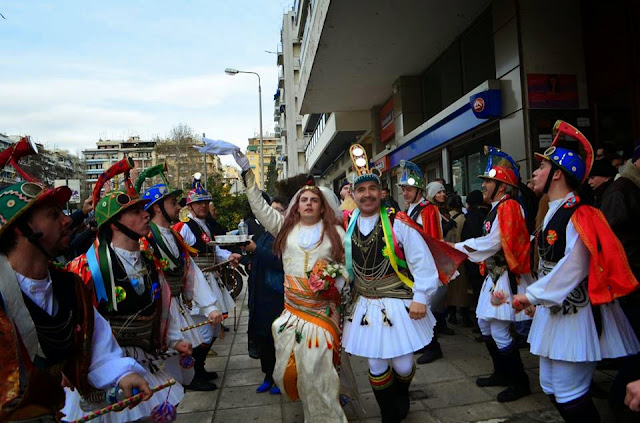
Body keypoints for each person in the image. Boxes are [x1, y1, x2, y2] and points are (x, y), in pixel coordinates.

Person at [0, 152, 152, 421]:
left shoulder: (70, 286)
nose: (68, 219)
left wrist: (122, 373)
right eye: (53, 214)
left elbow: (96, 349)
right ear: (20, 229)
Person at [512, 120, 640, 421]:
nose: (534, 172)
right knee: (551, 387)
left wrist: (532, 296)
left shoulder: (580, 213)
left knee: (569, 392)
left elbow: (574, 265)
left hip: (578, 314)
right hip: (555, 310)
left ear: (557, 173)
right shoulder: (553, 212)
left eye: (541, 167)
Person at [342, 145, 464, 422]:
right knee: (375, 363)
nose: (367, 194)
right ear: (353, 195)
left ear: (381, 192)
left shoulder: (399, 222)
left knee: (403, 363)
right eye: (361, 190)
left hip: (399, 301)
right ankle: (389, 414)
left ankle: (402, 395)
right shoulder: (348, 225)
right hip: (365, 305)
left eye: (372, 188)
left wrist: (421, 297)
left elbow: (422, 262)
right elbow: (345, 265)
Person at [231, 146, 349, 422]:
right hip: (291, 314)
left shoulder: (337, 233)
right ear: (297, 204)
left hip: (322, 314)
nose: (308, 203)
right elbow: (260, 207)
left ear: (322, 206)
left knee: (318, 371)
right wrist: (248, 173)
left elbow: (346, 269)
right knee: (293, 372)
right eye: (304, 199)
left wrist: (334, 285)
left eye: (314, 200)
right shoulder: (285, 228)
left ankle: (327, 418)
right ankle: (313, 411)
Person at [64, 158, 188, 421]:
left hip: (145, 361)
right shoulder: (86, 267)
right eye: (135, 211)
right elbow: (73, 324)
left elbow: (165, 305)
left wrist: (175, 339)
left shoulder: (150, 260)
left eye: (144, 209)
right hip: (104, 369)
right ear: (113, 223)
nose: (146, 214)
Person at [453, 146, 535, 403]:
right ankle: (502, 372)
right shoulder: (500, 207)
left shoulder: (508, 207)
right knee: (485, 324)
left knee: (498, 329)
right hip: (495, 274)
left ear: (501, 186)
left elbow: (495, 242)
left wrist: (457, 248)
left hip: (505, 275)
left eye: (488, 181)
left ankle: (519, 382)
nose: (485, 186)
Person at [136, 165, 225, 392]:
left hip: (177, 304)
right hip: (162, 311)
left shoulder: (173, 236)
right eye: (173, 203)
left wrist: (209, 305)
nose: (178, 207)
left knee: (179, 366)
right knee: (166, 372)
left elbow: (190, 271)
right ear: (157, 207)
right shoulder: (146, 241)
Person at [173, 174, 241, 364]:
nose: (203, 206)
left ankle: (199, 368)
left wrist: (229, 256)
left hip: (210, 280)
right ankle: (195, 371)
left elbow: (214, 249)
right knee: (203, 331)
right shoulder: (185, 227)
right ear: (190, 206)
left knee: (212, 328)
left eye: (205, 202)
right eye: (198, 203)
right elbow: (179, 256)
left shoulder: (204, 226)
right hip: (196, 283)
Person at [594, 141, 640, 417]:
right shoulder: (621, 191)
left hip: (632, 280)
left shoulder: (628, 189)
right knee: (635, 347)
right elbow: (611, 244)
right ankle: (619, 400)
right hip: (631, 283)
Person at [397, 161, 448, 364]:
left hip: (427, 269)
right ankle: (425, 343)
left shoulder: (428, 210)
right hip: (414, 269)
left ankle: (433, 347)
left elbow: (434, 241)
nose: (405, 193)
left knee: (424, 308)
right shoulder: (411, 210)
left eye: (408, 188)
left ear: (418, 188)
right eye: (403, 189)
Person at [243, 196, 287, 395]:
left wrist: (256, 250)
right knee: (263, 338)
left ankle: (281, 378)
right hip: (258, 294)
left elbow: (280, 262)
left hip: (275, 295)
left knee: (277, 338)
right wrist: (243, 257)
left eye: (278, 209)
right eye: (272, 209)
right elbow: (257, 257)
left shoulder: (285, 235)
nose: (274, 213)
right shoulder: (264, 233)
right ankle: (268, 376)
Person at [445, 194, 473, 327]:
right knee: (463, 287)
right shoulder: (464, 218)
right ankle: (465, 314)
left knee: (450, 287)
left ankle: (451, 314)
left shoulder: (445, 217)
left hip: (447, 256)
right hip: (461, 255)